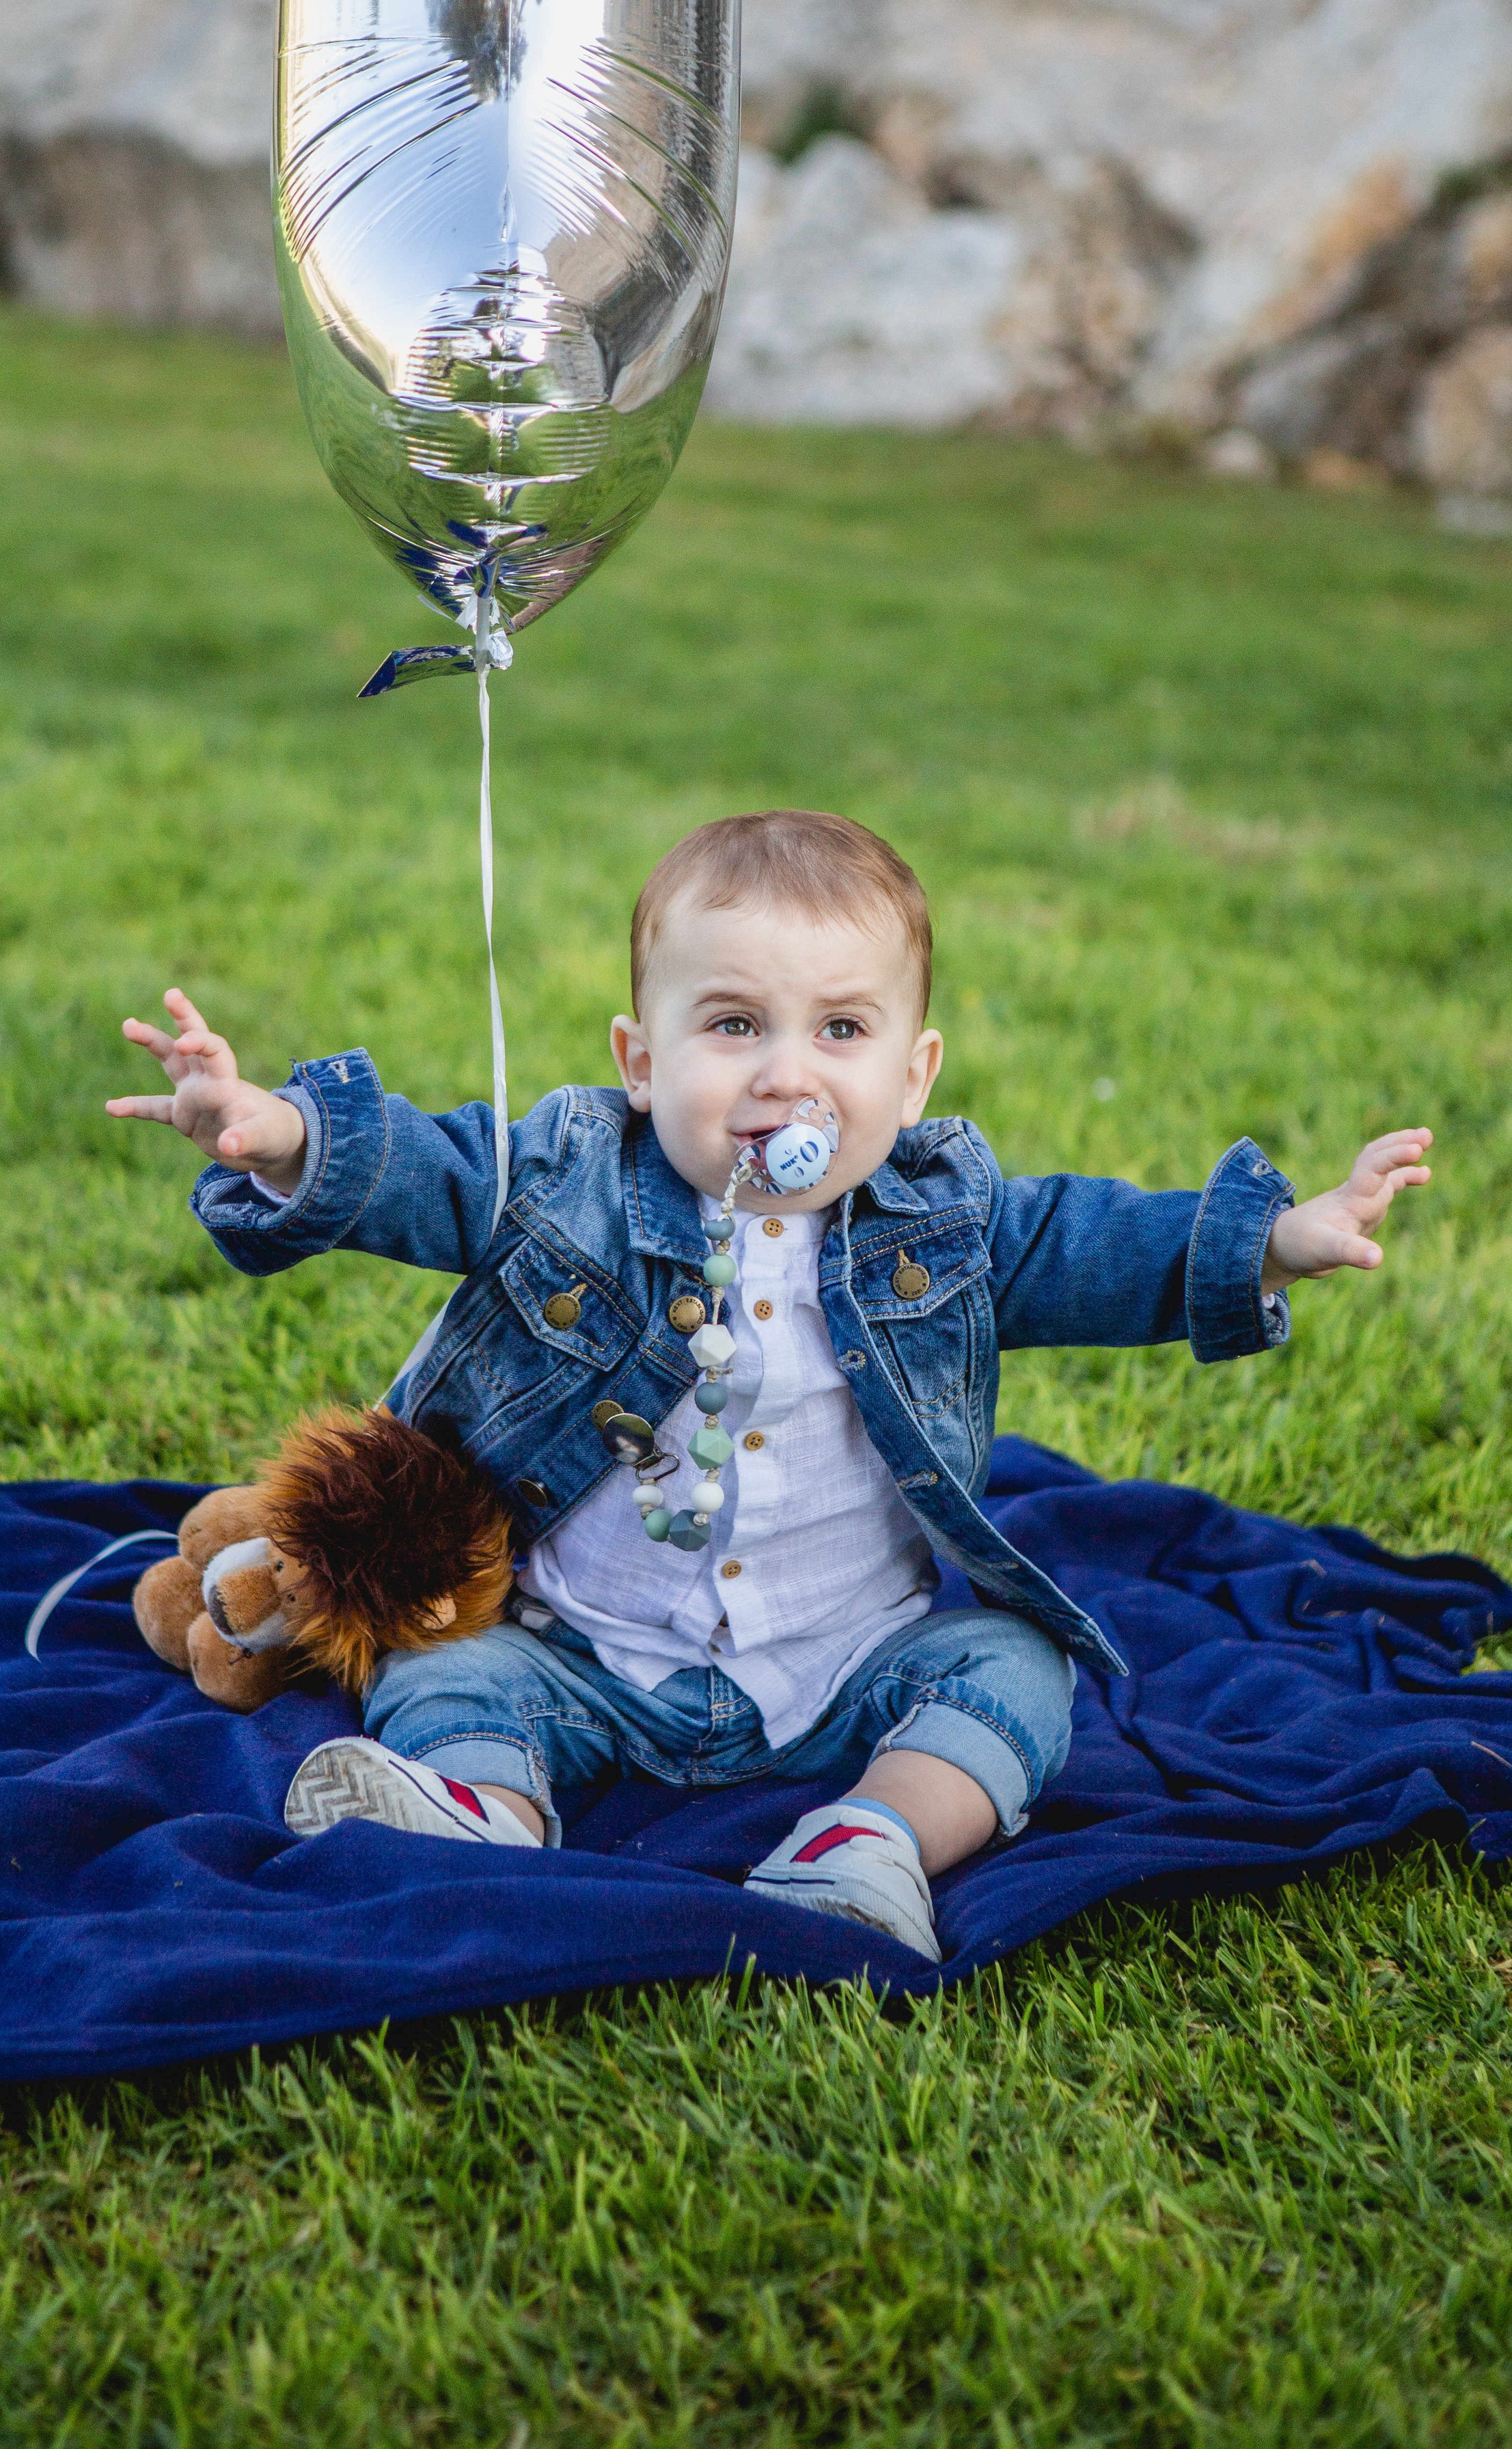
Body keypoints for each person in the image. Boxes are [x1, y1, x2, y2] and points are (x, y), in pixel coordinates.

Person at [107, 812, 1431, 1960]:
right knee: (444, 1671)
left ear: (910, 1074)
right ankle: (481, 1814)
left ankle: (872, 1840)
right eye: (733, 1024)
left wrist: (1273, 1240)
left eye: (840, 1028)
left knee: (1016, 1666)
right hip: (583, 1649)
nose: (786, 1072)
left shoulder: (944, 1223)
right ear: (641, 1059)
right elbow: (431, 1173)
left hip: (840, 1663)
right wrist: (283, 1136)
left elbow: (1104, 1248)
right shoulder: (571, 1176)